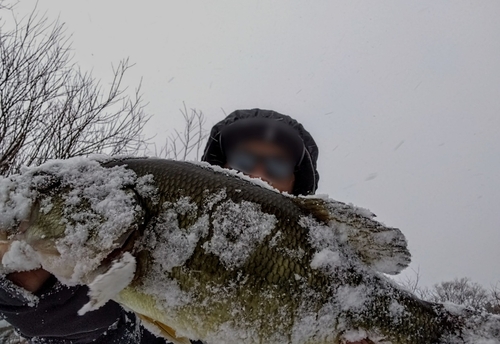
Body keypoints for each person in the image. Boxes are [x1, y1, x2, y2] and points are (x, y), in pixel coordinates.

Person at [0, 108, 367, 344]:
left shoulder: (340, 274)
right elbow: (90, 326)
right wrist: (34, 291)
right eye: (243, 159)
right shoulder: (154, 254)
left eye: (276, 168)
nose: (257, 174)